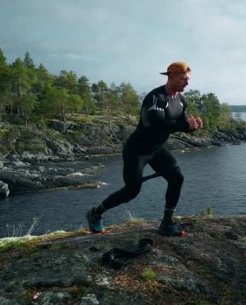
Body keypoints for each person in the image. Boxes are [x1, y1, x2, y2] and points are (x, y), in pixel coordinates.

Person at [86, 61, 203, 236]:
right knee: (131, 191)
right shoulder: (156, 97)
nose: (187, 83)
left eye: (188, 79)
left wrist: (192, 126)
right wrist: (185, 126)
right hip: (137, 150)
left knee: (176, 178)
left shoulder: (181, 100)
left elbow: (178, 123)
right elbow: (153, 123)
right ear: (171, 77)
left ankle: (166, 224)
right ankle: (96, 213)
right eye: (183, 79)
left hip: (156, 150)